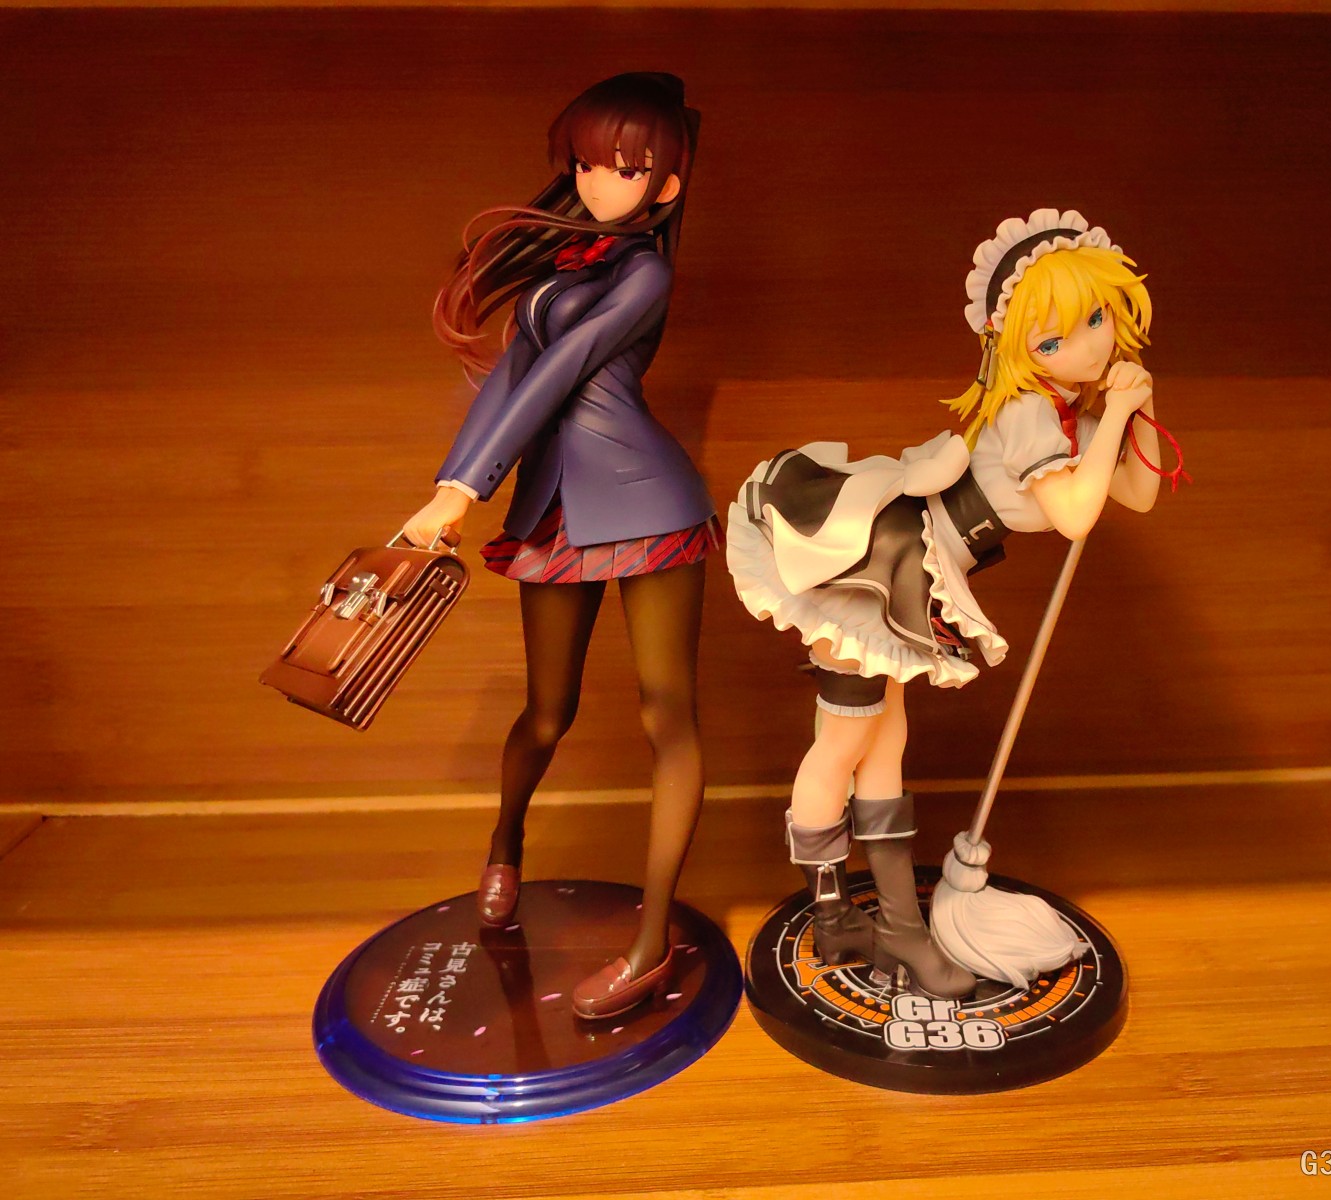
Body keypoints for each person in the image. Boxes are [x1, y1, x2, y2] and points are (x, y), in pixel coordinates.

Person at [726, 209, 1183, 997]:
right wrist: (1111, 416)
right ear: (1015, 347)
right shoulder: (1030, 410)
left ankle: (898, 927)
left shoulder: (1068, 410)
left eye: (1096, 321)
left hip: (923, 567)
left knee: (885, 742)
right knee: (845, 742)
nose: (1085, 347)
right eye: (1054, 339)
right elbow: (1076, 514)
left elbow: (1137, 493)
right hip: (884, 559)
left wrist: (1135, 405)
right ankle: (836, 918)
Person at [401, 73, 714, 1021]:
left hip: (647, 503)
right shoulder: (564, 267)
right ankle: (506, 843)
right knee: (548, 711)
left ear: (665, 184)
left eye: (624, 168)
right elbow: (511, 382)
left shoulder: (644, 274)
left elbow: (566, 372)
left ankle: (650, 946)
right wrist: (451, 486)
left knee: (667, 716)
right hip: (555, 510)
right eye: (583, 163)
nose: (596, 181)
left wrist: (466, 489)